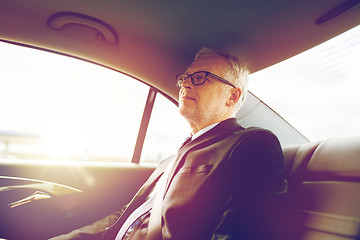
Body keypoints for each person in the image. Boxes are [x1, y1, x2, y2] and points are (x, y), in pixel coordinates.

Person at [51, 48, 286, 240]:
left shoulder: (251, 144)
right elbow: (124, 217)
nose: (186, 84)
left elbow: (241, 233)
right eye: (184, 78)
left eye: (200, 77)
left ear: (233, 96)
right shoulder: (168, 162)